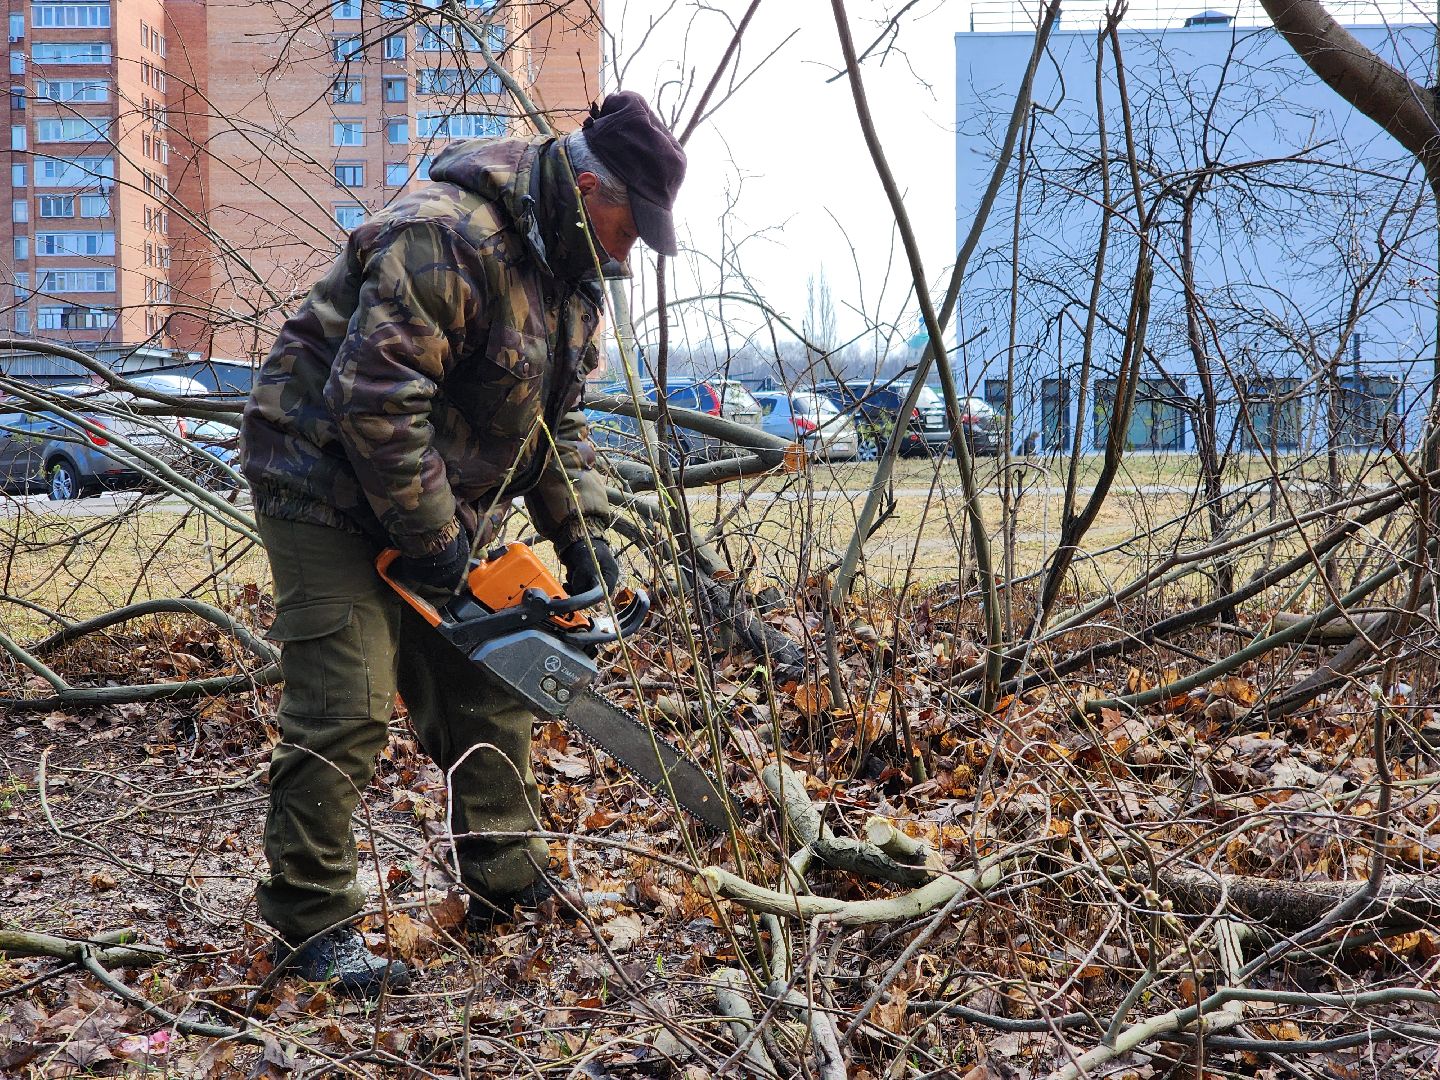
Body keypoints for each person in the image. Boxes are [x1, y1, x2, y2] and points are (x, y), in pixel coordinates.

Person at [238, 92, 686, 995]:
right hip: (320, 479)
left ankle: (508, 884)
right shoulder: (450, 237)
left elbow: (556, 431)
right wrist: (437, 538)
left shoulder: (569, 280)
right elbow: (375, 400)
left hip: (420, 498)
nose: (629, 247)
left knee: (486, 684)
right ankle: (309, 927)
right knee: (349, 703)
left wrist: (587, 541)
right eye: (628, 223)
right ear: (589, 185)